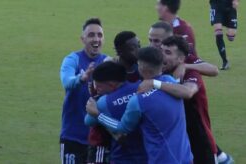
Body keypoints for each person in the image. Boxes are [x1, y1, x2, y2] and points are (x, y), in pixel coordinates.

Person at [87, 47, 193, 164]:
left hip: (161, 160)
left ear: (141, 68)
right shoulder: (170, 83)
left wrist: (98, 114)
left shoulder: (138, 100)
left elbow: (122, 128)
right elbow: (185, 91)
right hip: (186, 158)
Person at [139, 36, 218, 164]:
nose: (162, 55)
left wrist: (155, 83)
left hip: (199, 140)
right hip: (177, 143)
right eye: (161, 50)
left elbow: (188, 91)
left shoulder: (190, 72)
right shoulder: (157, 69)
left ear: (181, 59)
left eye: (168, 53)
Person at [86, 31, 141, 164]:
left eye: (139, 45)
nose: (139, 51)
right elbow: (95, 111)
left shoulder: (142, 70)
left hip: (132, 144)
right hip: (103, 141)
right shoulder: (106, 72)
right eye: (134, 48)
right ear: (120, 51)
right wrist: (115, 133)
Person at [59, 18, 108, 164]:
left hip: (98, 139)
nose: (96, 39)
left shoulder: (108, 63)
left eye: (99, 35)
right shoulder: (72, 59)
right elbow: (67, 82)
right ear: (83, 39)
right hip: (72, 136)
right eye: (91, 35)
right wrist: (82, 77)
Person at [148, 21, 219, 77]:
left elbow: (214, 70)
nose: (151, 45)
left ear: (169, 39)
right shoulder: (147, 55)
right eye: (150, 40)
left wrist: (185, 66)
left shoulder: (180, 56)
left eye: (156, 41)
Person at [210, 0, 239, 70]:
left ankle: (227, 23)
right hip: (216, 6)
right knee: (218, 33)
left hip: (229, 5)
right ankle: (225, 61)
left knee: (231, 37)